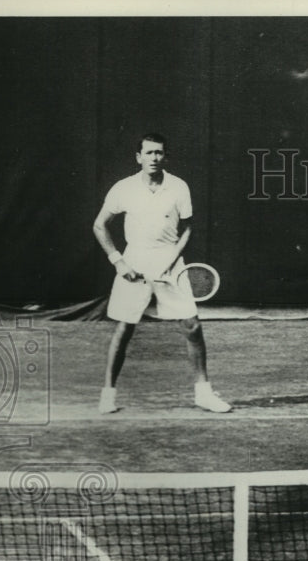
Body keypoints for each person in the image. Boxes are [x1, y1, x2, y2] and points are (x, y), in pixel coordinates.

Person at [92, 133, 231, 414]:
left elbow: (189, 227)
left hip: (170, 258)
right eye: (149, 153)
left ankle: (203, 394)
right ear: (139, 157)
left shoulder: (179, 187)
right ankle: (108, 395)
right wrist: (119, 262)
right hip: (134, 259)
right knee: (124, 328)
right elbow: (99, 225)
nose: (154, 158)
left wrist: (172, 259)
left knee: (192, 325)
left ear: (165, 157)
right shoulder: (124, 188)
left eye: (159, 153)